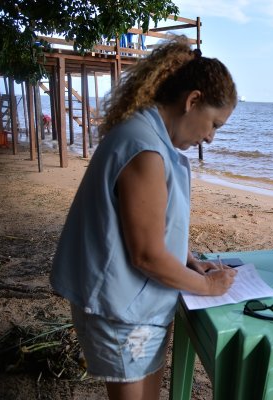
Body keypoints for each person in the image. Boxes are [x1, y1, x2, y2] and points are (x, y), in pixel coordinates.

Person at [50, 36, 238, 400]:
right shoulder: (145, 150)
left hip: (139, 306)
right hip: (122, 311)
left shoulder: (148, 135)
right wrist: (209, 288)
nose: (211, 138)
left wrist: (188, 260)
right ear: (193, 101)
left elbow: (147, 227)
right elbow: (146, 255)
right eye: (214, 124)